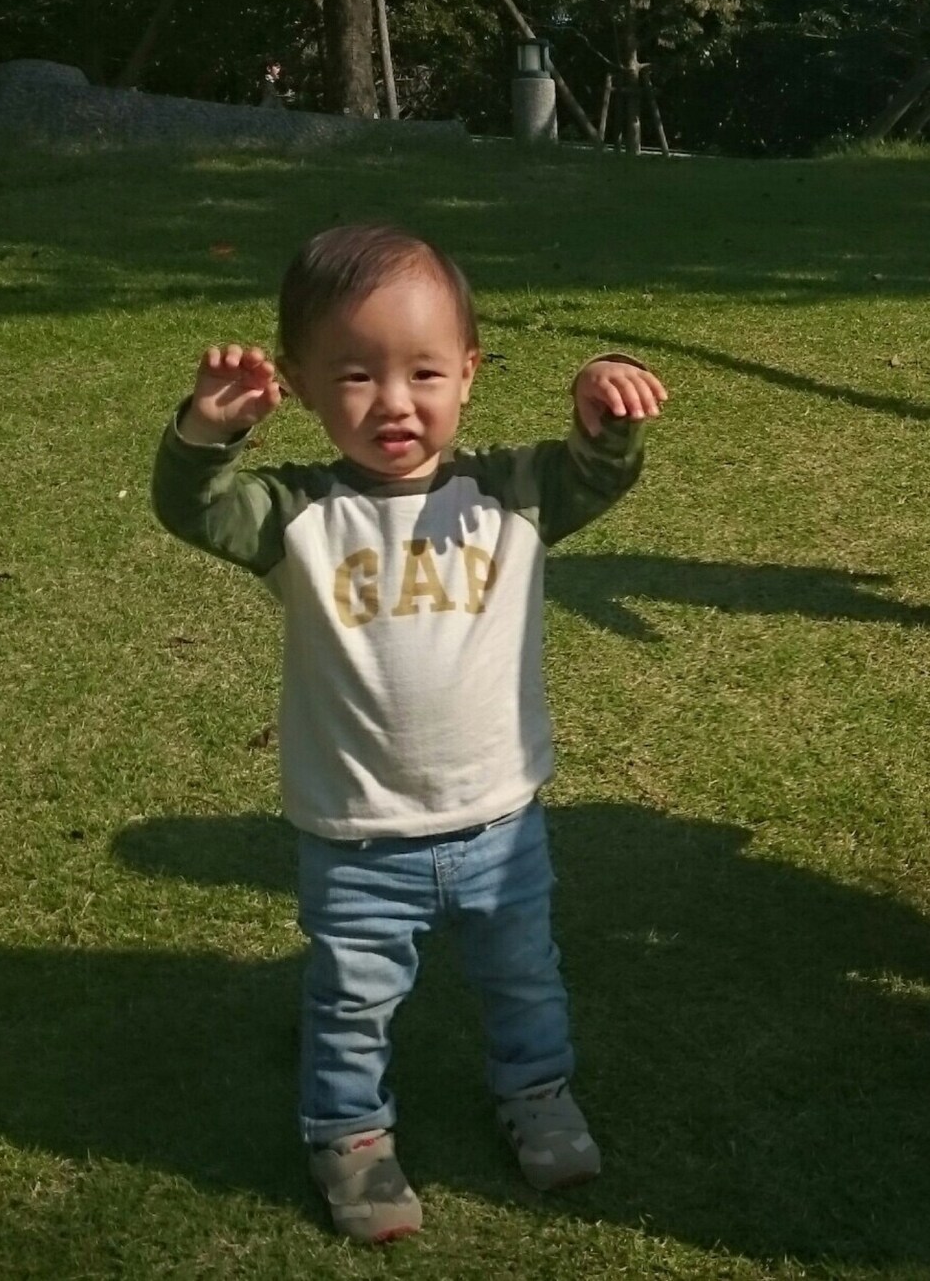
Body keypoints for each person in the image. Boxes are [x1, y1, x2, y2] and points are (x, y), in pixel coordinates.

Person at [151, 224, 667, 1243]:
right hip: (356, 837)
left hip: (501, 824)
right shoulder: (294, 514)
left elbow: (597, 473)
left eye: (424, 371)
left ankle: (537, 1094)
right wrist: (205, 431)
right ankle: (348, 1134)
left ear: (469, 372)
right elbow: (192, 507)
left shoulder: (511, 496)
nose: (393, 401)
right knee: (351, 1000)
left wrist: (605, 397)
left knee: (525, 978)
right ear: (299, 383)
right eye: (355, 374)